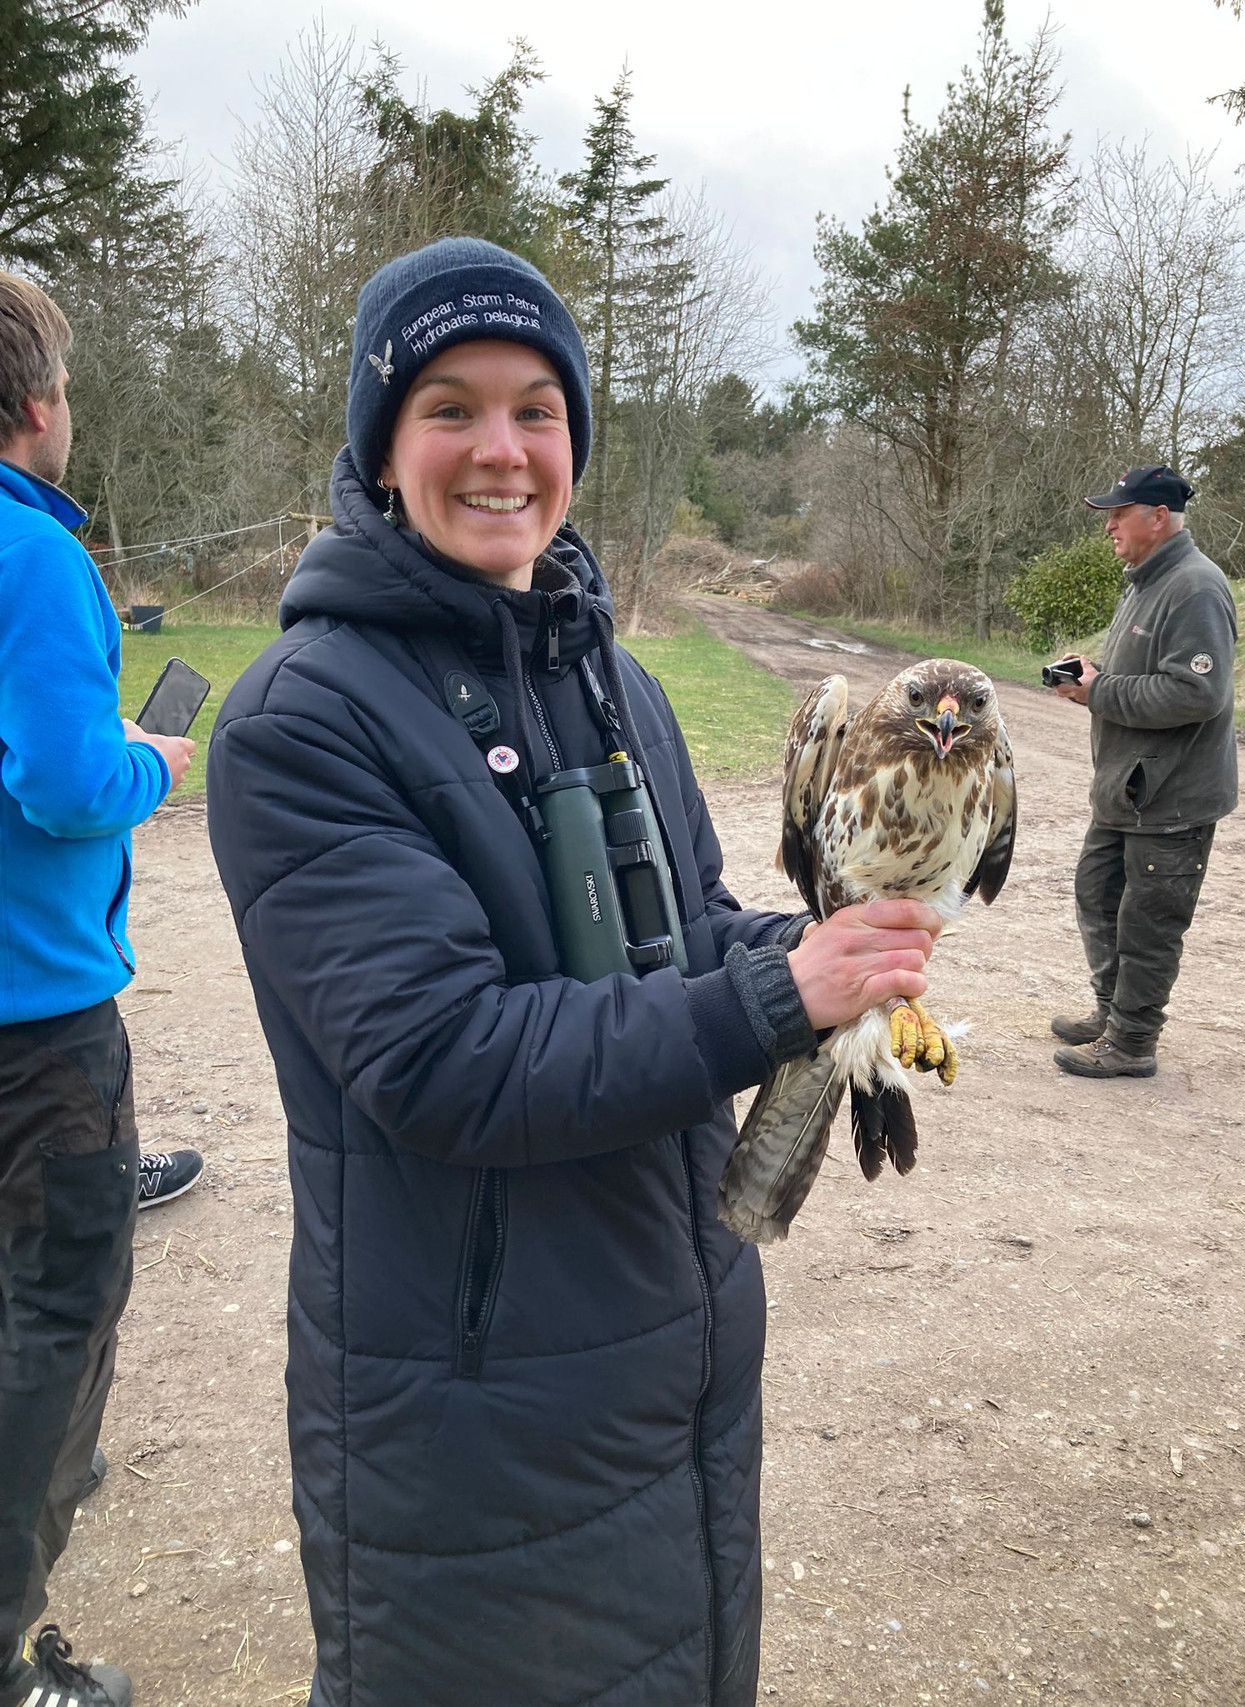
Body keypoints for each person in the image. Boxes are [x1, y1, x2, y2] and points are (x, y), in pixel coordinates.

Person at [205, 236, 941, 1707]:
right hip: (477, 1412)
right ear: (382, 441)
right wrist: (774, 997)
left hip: (673, 1356)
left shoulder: (616, 674)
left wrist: (813, 954)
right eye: (451, 408)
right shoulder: (301, 721)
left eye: (537, 407)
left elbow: (693, 930)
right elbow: (446, 1057)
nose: (501, 449)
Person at [0, 272, 203, 1707]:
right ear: (35, 405)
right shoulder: (36, 557)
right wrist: (156, 762)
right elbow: (72, 783)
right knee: (61, 1310)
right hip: (41, 1026)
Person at [1050, 463, 1237, 1080]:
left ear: (1158, 517)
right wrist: (1093, 675)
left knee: (1150, 920)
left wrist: (1101, 691)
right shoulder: (1146, 580)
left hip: (1172, 794)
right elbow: (1148, 672)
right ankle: (1112, 1012)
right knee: (1097, 892)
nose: (1108, 525)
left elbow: (1196, 694)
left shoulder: (1196, 587)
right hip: (1129, 789)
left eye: (1118, 513)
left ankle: (1132, 1042)